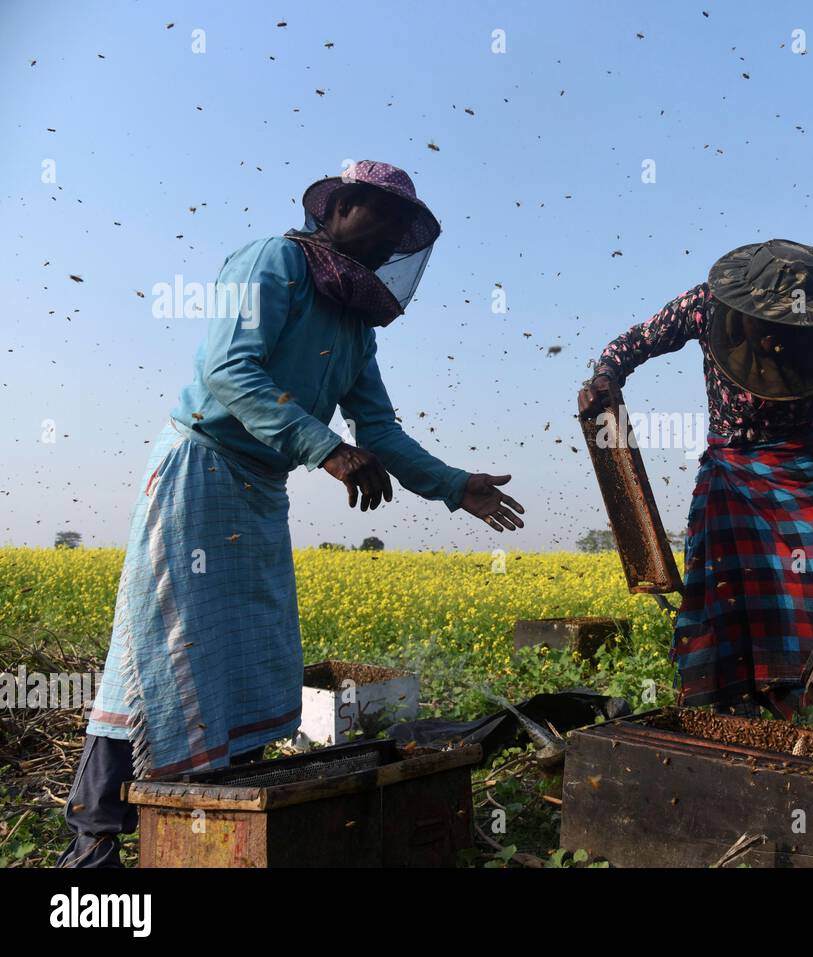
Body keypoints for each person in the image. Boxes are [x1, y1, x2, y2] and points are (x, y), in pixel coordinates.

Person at [59, 160, 525, 867]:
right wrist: (325, 449)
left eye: (403, 229)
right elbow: (229, 369)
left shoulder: (355, 323)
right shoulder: (272, 260)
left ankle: (206, 824)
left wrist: (456, 485)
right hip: (202, 471)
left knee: (244, 659)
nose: (391, 237)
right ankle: (93, 841)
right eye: (382, 217)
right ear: (338, 209)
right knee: (160, 653)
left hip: (260, 493)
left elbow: (382, 431)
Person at [579, 240, 813, 733]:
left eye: (786, 331)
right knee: (720, 609)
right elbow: (632, 343)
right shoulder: (706, 305)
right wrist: (605, 376)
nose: (772, 342)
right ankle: (736, 727)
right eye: (764, 328)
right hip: (728, 474)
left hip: (799, 471)